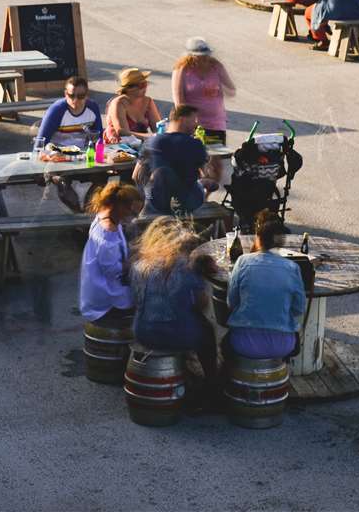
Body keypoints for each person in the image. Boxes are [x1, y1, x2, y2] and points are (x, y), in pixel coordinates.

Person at [131, 217, 219, 405]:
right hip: (176, 335)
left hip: (143, 331)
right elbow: (201, 304)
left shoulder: (139, 265)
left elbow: (136, 299)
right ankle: (212, 386)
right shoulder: (186, 268)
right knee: (207, 330)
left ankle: (184, 371)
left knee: (183, 317)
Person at [225, 212, 308, 361]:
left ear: (258, 239)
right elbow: (298, 309)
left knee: (223, 344)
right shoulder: (292, 267)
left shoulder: (242, 262)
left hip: (243, 342)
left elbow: (231, 303)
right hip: (283, 345)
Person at [36, 75, 104, 211]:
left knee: (102, 178)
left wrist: (102, 158)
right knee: (63, 183)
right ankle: (78, 214)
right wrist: (38, 169)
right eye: (71, 95)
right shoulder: (57, 110)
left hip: (82, 156)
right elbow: (40, 143)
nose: (75, 100)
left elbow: (99, 138)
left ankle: (87, 211)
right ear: (65, 94)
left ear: (87, 95)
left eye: (80, 96)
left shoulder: (93, 108)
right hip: (59, 158)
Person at [79, 182, 143, 323]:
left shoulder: (107, 217)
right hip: (105, 303)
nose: (135, 217)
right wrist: (136, 260)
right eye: (133, 212)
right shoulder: (107, 232)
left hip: (98, 292)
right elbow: (112, 270)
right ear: (120, 206)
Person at [141, 105, 211, 215]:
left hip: (156, 204)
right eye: (194, 120)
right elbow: (205, 173)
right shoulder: (195, 144)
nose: (196, 124)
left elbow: (136, 176)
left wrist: (148, 194)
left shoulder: (151, 142)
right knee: (202, 184)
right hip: (187, 204)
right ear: (182, 119)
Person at [171, 38, 234, 143]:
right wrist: (190, 122)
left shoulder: (216, 66)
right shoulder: (182, 69)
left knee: (216, 156)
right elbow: (179, 101)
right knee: (195, 157)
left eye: (206, 55)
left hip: (216, 123)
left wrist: (217, 90)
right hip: (193, 124)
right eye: (200, 56)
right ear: (191, 56)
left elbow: (231, 89)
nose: (205, 58)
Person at [105, 67, 163, 143]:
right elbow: (122, 132)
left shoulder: (148, 101)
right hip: (116, 147)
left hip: (141, 144)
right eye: (141, 85)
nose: (145, 87)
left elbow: (158, 128)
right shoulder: (119, 103)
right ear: (128, 89)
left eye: (145, 83)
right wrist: (150, 137)